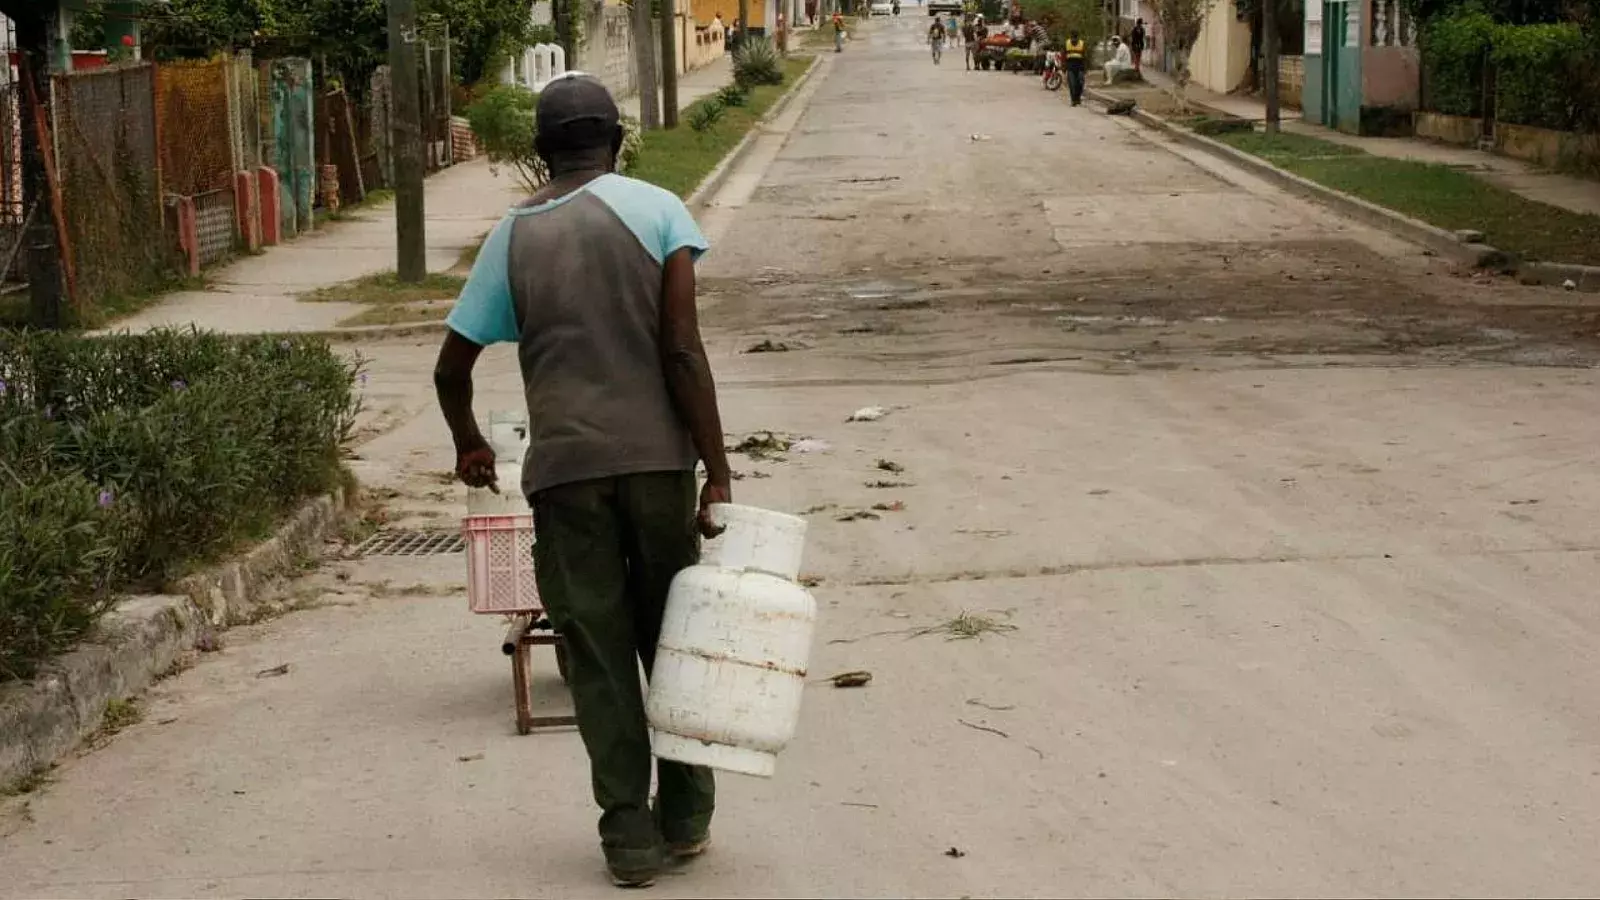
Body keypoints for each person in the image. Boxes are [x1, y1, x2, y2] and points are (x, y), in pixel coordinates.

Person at [433, 73, 729, 890]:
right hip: (660, 464)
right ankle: (687, 817)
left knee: (596, 653)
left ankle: (628, 837)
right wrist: (719, 472)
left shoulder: (512, 237)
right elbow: (681, 349)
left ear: (539, 151)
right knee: (673, 641)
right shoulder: (663, 211)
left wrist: (469, 445)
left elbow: (451, 366)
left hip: (565, 477)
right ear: (618, 142)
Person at [1063, 28, 1087, 105]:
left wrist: (1085, 68)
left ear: (1077, 37)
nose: (1074, 39)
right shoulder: (1067, 43)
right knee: (1072, 84)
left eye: (1075, 37)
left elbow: (1085, 57)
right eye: (1072, 37)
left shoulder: (1082, 43)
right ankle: (1073, 100)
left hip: (1079, 65)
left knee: (1080, 82)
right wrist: (1064, 67)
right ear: (1071, 37)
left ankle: (1078, 97)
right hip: (1070, 65)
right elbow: (1064, 56)